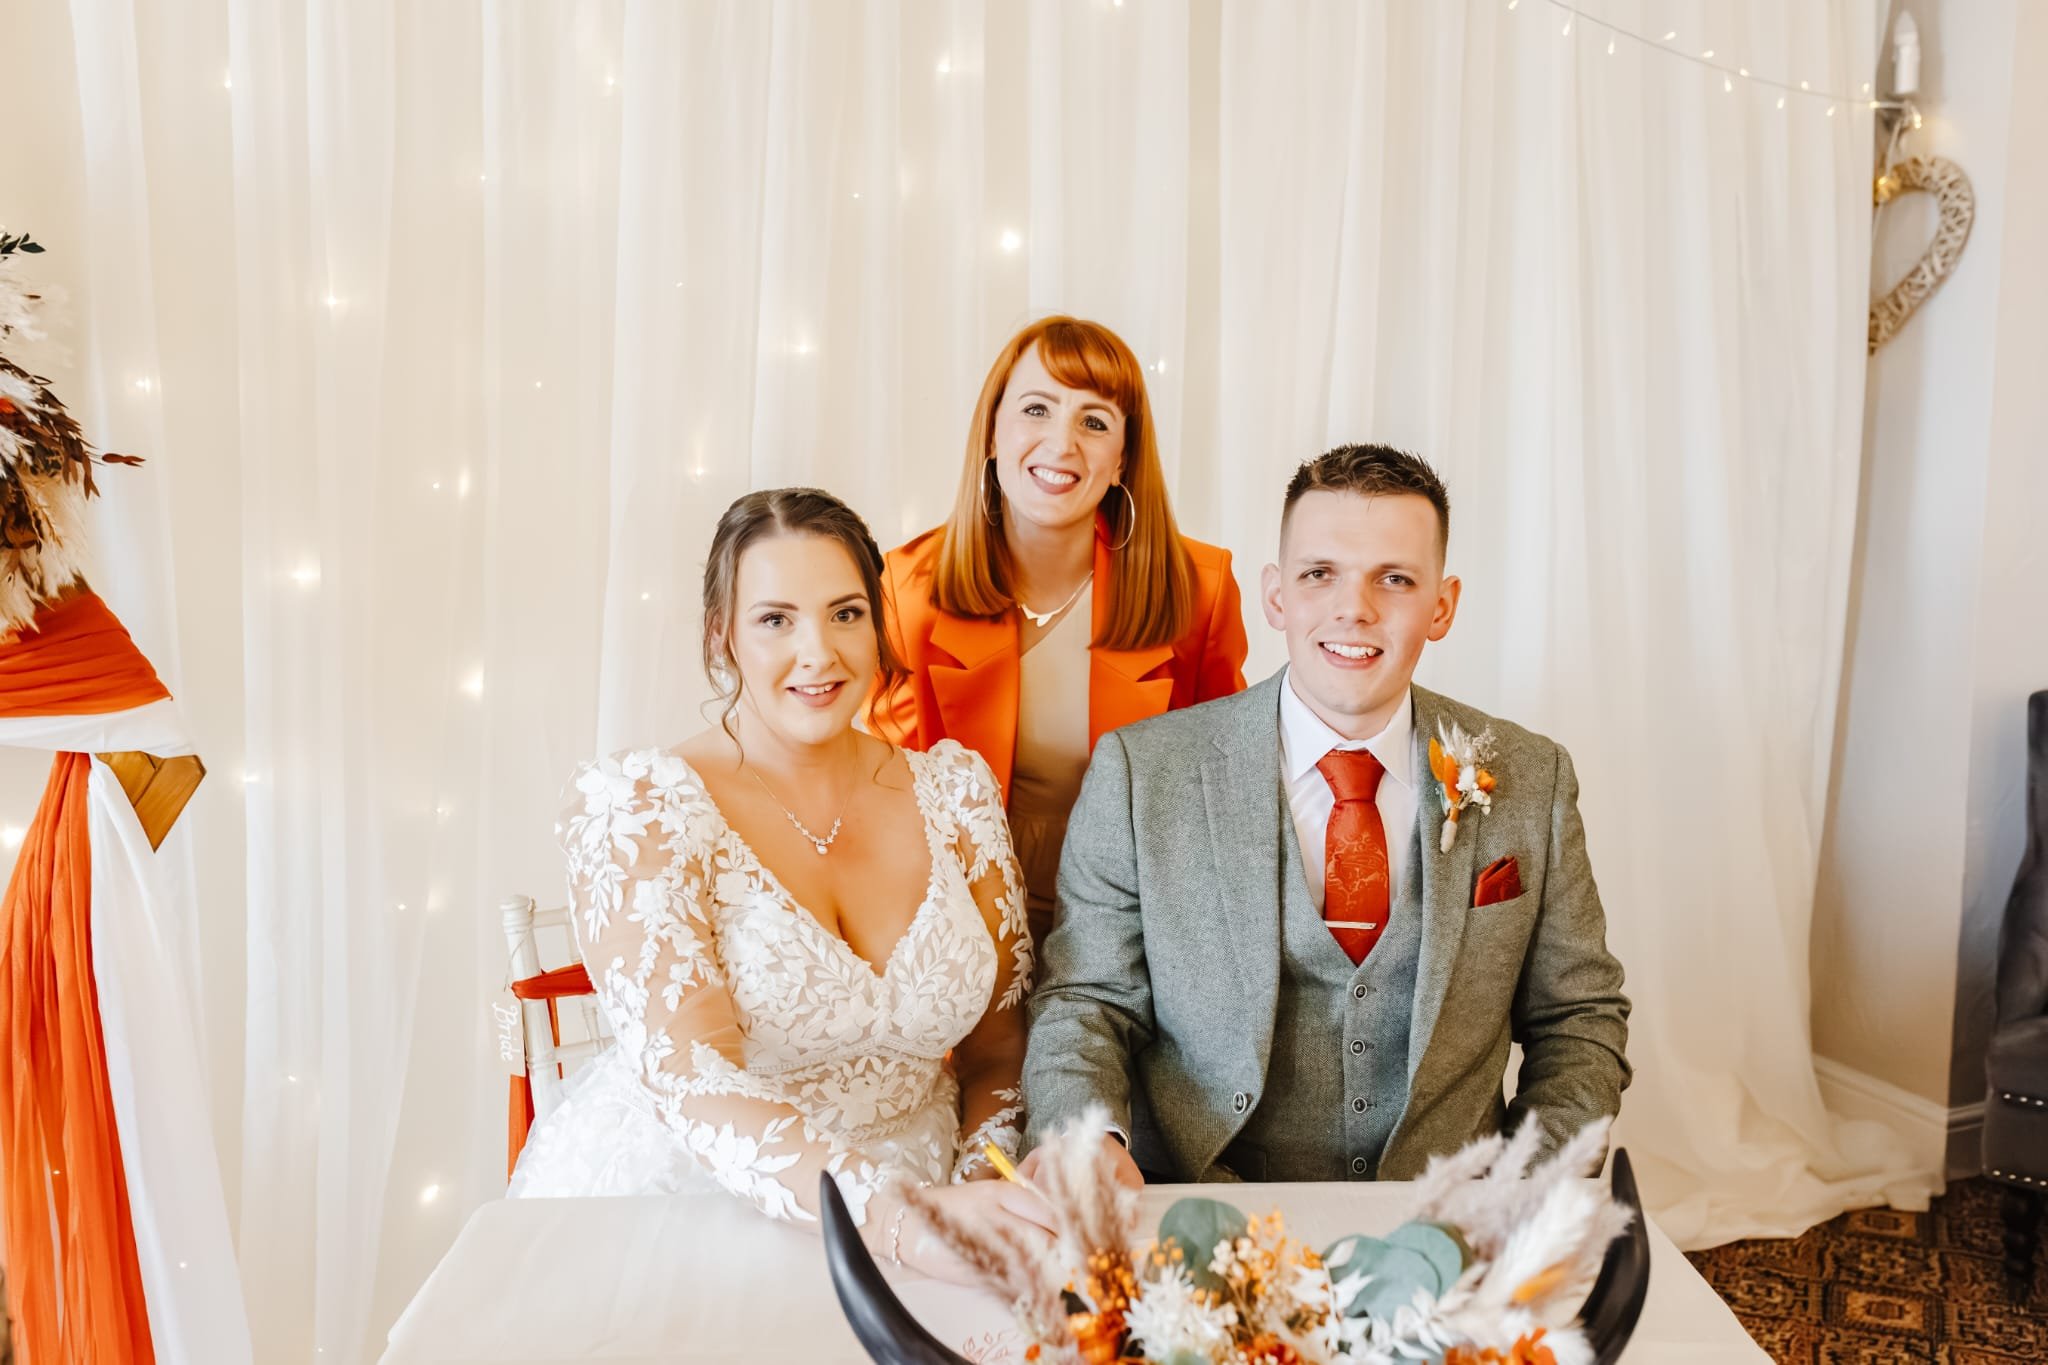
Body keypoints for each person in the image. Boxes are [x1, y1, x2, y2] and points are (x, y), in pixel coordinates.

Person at [1020, 444, 1631, 1187]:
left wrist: (1525, 1184)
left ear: (1442, 604)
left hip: (1448, 1215)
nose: (1355, 609)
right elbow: (1087, 1001)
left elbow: (1580, 1017)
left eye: (1395, 579)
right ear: (1276, 595)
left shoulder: (1534, 778)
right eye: (1320, 574)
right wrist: (1090, 1143)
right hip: (1197, 1208)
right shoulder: (1142, 774)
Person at [511, 488, 1052, 1284]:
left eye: (845, 613)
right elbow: (692, 1074)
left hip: (934, 1186)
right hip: (701, 1199)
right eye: (775, 619)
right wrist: (898, 1219)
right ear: (720, 635)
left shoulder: (955, 793)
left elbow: (999, 1050)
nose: (819, 653)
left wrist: (973, 1190)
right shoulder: (642, 807)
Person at [871, 315, 1248, 943]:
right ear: (992, 432)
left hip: (1136, 920)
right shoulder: (906, 588)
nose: (1062, 444)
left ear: (1123, 457)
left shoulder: (1199, 587)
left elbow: (1224, 792)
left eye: (1094, 421)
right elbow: (890, 799)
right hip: (958, 911)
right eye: (1037, 409)